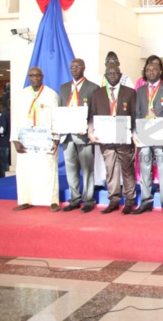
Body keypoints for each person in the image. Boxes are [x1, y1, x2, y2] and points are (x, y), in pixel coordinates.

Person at [88, 65, 137, 214]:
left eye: (116, 73)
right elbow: (93, 114)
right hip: (106, 139)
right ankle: (114, 200)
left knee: (127, 169)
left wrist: (133, 133)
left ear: (120, 74)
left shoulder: (130, 92)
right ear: (106, 75)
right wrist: (91, 131)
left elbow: (134, 114)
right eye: (110, 73)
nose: (113, 75)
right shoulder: (98, 93)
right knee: (110, 170)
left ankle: (129, 200)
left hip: (124, 138)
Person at [10, 67, 60, 212]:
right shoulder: (22, 94)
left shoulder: (51, 95)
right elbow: (16, 118)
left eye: (38, 75)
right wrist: (15, 140)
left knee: (48, 169)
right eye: (32, 75)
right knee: (26, 170)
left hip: (46, 139)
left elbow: (56, 118)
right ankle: (26, 199)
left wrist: (56, 138)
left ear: (42, 76)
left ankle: (52, 200)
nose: (35, 78)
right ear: (29, 77)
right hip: (26, 140)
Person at [133, 61, 163, 216]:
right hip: (144, 134)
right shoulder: (140, 90)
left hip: (162, 134)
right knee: (145, 169)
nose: (151, 72)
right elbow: (137, 113)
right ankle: (145, 202)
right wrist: (135, 134)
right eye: (148, 70)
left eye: (154, 69)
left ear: (160, 72)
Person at [59, 59, 99, 213]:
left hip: (84, 136)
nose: (74, 69)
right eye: (72, 67)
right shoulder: (63, 88)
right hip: (67, 135)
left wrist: (89, 129)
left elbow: (94, 113)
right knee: (71, 169)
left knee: (87, 169)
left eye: (77, 67)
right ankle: (74, 199)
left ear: (84, 68)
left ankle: (88, 200)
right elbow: (60, 111)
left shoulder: (93, 88)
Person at [93, 51, 135, 189]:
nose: (111, 64)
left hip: (121, 129)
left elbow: (131, 106)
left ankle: (123, 185)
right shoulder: (98, 79)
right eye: (108, 62)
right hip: (104, 130)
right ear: (105, 65)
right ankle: (101, 181)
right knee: (105, 161)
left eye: (114, 61)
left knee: (124, 163)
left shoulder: (126, 79)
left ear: (118, 64)